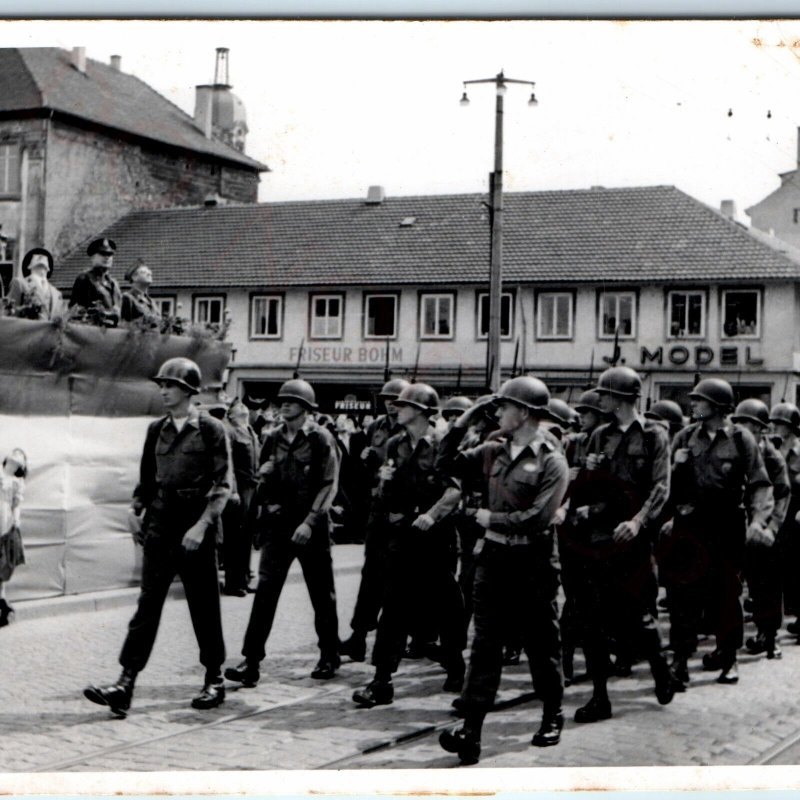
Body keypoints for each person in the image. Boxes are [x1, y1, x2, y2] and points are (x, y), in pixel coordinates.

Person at [84, 357, 232, 717]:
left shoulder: (211, 429)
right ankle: (125, 683)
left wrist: (201, 526)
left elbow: (224, 485)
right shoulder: (156, 430)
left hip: (195, 525)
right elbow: (147, 481)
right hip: (161, 524)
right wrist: (135, 509)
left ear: (187, 390)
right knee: (147, 605)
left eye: (169, 385)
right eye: (162, 385)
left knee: (204, 606)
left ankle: (214, 677)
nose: (163, 390)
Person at [436, 377, 568, 765]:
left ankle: (551, 714)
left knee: (541, 644)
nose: (498, 413)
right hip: (494, 559)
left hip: (534, 562)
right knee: (485, 646)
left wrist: (488, 517)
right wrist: (469, 417)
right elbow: (444, 462)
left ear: (524, 412)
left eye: (504, 407)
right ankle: (471, 731)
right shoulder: (493, 451)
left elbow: (537, 518)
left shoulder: (551, 460)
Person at [565, 366, 681, 724]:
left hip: (633, 537)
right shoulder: (599, 435)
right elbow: (586, 480)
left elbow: (661, 487)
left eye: (604, 394)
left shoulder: (654, 436)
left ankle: (661, 669)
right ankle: (600, 697)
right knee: (592, 620)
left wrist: (638, 521)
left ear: (619, 398)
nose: (600, 399)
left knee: (637, 614)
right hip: (597, 537)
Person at [352, 382, 466, 709]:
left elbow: (455, 490)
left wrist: (431, 515)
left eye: (403, 405)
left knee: (446, 603)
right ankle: (381, 680)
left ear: (420, 411)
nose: (396, 409)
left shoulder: (443, 444)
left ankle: (456, 664)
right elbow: (385, 486)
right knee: (394, 605)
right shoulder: (393, 444)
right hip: (402, 536)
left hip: (436, 537)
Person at [225, 378, 342, 686]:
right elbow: (264, 479)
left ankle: (329, 655)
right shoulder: (273, 437)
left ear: (305, 407)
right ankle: (251, 661)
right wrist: (264, 481)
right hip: (279, 525)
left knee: (321, 593)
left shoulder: (321, 439)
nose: (283, 406)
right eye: (282, 401)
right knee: (265, 593)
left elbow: (329, 484)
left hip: (310, 527)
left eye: (290, 402)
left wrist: (310, 521)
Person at [661, 378, 773, 686]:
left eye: (699, 400)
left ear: (718, 406)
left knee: (726, 593)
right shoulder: (684, 438)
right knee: (682, 595)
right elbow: (668, 488)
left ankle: (728, 657)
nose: (693, 404)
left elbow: (760, 484)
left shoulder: (741, 439)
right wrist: (676, 466)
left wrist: (757, 521)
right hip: (690, 524)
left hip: (726, 524)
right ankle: (680, 659)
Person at [340, 378, 410, 662]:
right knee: (371, 574)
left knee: (400, 578)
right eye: (386, 399)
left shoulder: (411, 429)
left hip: (404, 511)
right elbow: (367, 471)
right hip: (378, 507)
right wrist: (366, 458)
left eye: (395, 399)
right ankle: (358, 637)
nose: (390, 404)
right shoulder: (375, 428)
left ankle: (411, 638)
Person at [554, 389, 606, 686]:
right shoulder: (572, 445)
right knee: (576, 599)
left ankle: (601, 658)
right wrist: (572, 476)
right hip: (574, 533)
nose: (581, 418)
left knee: (599, 601)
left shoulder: (613, 444)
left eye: (587, 413)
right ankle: (566, 661)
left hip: (603, 532)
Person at [731, 399, 790, 660]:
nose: (744, 430)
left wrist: (772, 528)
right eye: (741, 424)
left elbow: (782, 494)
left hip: (763, 531)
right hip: (736, 526)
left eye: (750, 426)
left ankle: (769, 636)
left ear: (761, 429)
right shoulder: (734, 449)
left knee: (765, 584)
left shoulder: (771, 455)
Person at [221, 399, 261, 596]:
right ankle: (233, 583)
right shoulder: (230, 431)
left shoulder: (250, 431)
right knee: (235, 537)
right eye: (239, 406)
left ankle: (245, 578)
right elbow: (228, 464)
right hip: (240, 490)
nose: (244, 407)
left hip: (253, 489)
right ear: (231, 415)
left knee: (247, 537)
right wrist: (234, 490)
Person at [768, 402, 800, 640]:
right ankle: (772, 619)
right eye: (775, 423)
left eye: (782, 424)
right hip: (778, 512)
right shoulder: (771, 450)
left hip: (797, 514)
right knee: (776, 567)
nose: (777, 427)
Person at [0, 449, 27, 628]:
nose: (16, 455)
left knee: (2, 566)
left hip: (5, 522)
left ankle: (2, 603)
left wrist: (16, 519)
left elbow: (16, 505)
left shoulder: (17, 482)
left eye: (21, 456)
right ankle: (2, 603)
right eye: (15, 453)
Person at [69, 237, 122, 326]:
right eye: (102, 254)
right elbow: (75, 310)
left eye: (110, 254)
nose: (107, 258)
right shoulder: (84, 279)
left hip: (113, 332)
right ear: (93, 257)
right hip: (93, 331)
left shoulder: (114, 283)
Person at [7, 248, 63, 320]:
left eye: (44, 266)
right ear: (30, 267)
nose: (42, 269)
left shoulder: (56, 293)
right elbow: (11, 314)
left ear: (48, 269)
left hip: (50, 330)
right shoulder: (19, 283)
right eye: (39, 265)